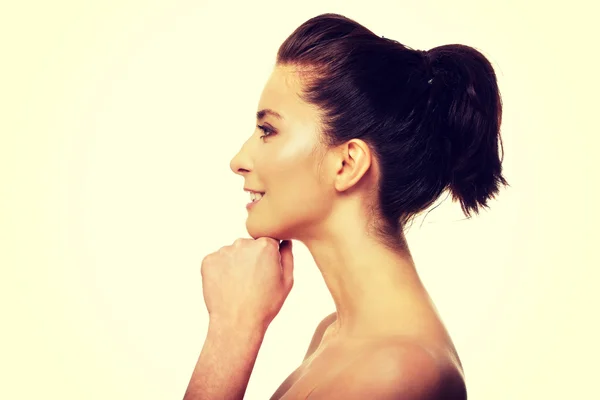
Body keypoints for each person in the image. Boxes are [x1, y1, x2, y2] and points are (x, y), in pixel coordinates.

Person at [183, 13, 508, 400]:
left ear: (347, 163)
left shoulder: (396, 372)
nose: (238, 159)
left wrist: (232, 331)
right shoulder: (333, 334)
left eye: (268, 130)